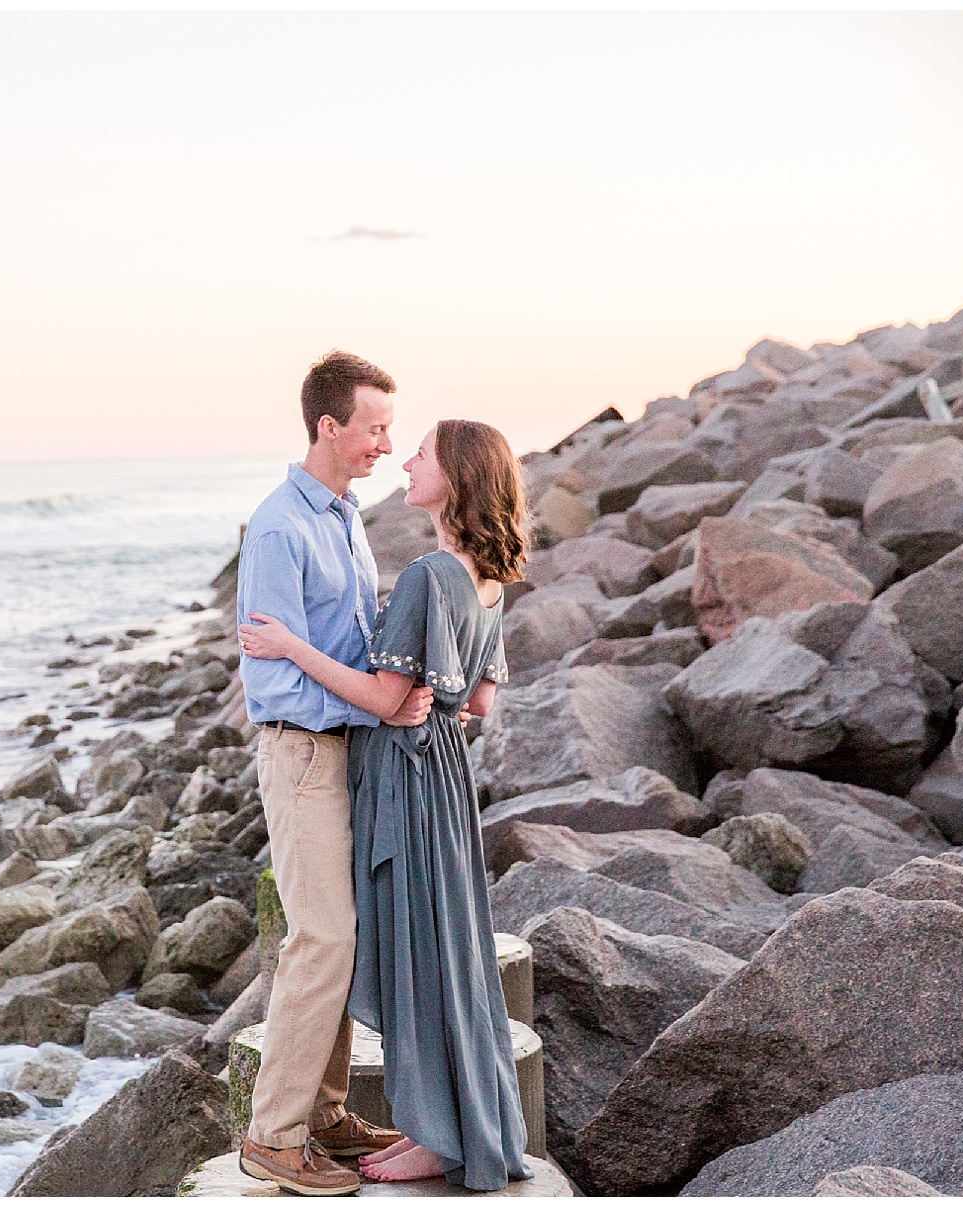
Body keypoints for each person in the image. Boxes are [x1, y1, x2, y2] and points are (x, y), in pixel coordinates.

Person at [239, 418, 534, 1191]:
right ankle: (446, 1123)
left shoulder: (430, 577)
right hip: (446, 779)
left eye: (422, 453)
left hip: (404, 780)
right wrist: (423, 701)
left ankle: (435, 1131)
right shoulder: (488, 581)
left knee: (414, 953)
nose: (404, 459)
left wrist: (295, 647)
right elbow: (478, 705)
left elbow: (381, 694)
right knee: (448, 947)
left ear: (458, 479)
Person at [233, 351, 432, 1196]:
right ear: (329, 425)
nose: (386, 441)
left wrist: (403, 686)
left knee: (343, 936)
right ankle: (273, 1136)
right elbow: (270, 674)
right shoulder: (279, 525)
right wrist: (375, 706)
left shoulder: (345, 515)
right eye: (375, 426)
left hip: (349, 745)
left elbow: (350, 640)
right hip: (306, 749)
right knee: (322, 937)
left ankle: (323, 1113)